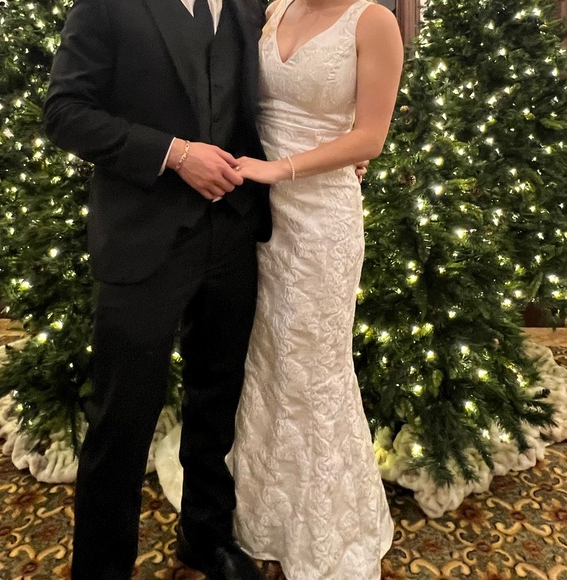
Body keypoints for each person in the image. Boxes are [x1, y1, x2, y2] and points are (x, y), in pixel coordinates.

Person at [42, 0, 272, 578]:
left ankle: (205, 536)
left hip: (234, 231)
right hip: (142, 239)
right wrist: (174, 153)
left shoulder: (251, 6)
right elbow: (64, 112)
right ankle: (102, 568)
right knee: (121, 417)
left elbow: (265, 108)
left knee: (217, 400)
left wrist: (332, 158)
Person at [230, 0, 404, 578]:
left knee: (314, 365)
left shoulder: (373, 21)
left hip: (321, 217)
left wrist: (280, 169)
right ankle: (262, 507)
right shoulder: (274, 7)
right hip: (256, 213)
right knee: (267, 358)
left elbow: (370, 138)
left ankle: (323, 520)